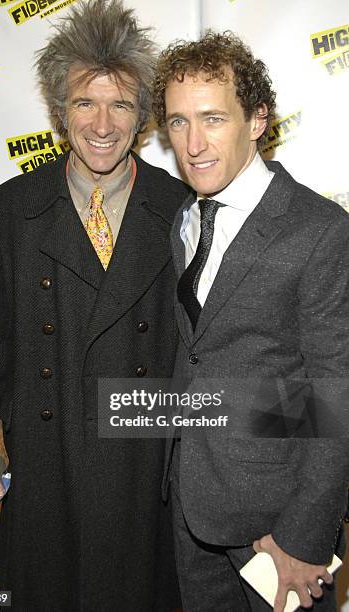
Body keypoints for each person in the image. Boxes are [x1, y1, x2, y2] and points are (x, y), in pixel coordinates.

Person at [0, 1, 191, 609]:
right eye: (86, 102)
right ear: (60, 112)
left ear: (143, 118)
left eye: (121, 105)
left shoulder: (183, 208)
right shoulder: (7, 209)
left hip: (143, 463)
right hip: (45, 455)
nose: (103, 124)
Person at [153, 31, 349, 612]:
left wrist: (306, 534)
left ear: (257, 119)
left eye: (213, 118)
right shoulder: (185, 221)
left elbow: (334, 391)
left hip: (277, 531)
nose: (193, 142)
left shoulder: (319, 230)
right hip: (192, 508)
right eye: (178, 122)